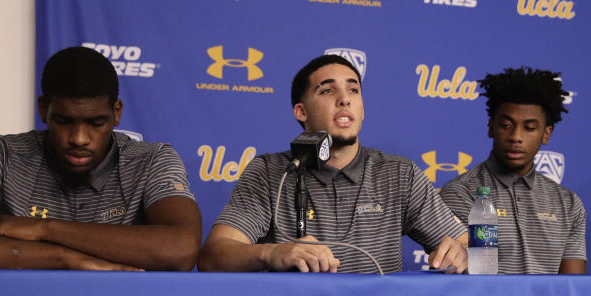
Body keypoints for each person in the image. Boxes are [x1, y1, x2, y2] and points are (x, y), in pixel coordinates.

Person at [0, 46, 201, 271]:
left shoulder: (152, 160)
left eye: (96, 123)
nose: (78, 138)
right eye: (63, 121)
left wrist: (43, 229)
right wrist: (62, 257)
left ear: (117, 113)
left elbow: (181, 249)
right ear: (43, 109)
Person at [198, 54, 467, 273]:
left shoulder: (400, 174)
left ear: (362, 108)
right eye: (327, 90)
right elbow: (213, 256)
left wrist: (461, 253)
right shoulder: (270, 172)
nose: (344, 99)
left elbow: (464, 244)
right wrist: (273, 253)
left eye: (353, 89)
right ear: (301, 112)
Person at [440, 66, 586, 274]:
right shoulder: (460, 193)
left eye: (529, 127)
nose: (516, 136)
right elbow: (457, 280)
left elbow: (574, 288)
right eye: (506, 125)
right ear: (491, 127)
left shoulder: (568, 203)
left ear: (546, 134)